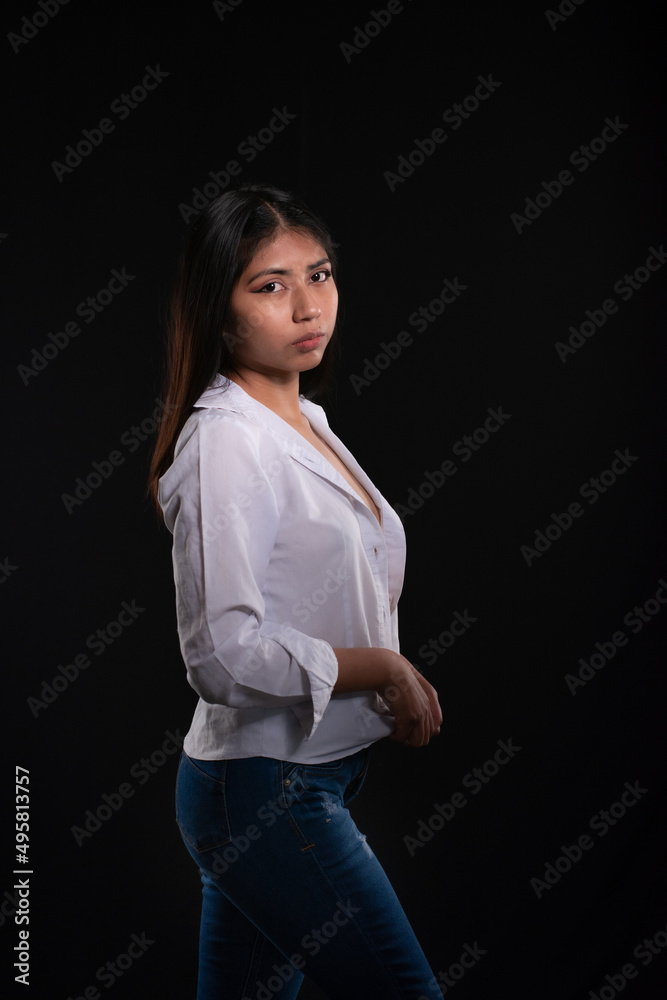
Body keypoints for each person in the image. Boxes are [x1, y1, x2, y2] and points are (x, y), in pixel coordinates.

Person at [148, 183, 444, 1000]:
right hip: (266, 791)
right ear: (220, 308)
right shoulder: (227, 445)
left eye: (318, 275)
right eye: (270, 286)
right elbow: (222, 654)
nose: (308, 306)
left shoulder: (304, 418)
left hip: (302, 779)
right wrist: (381, 668)